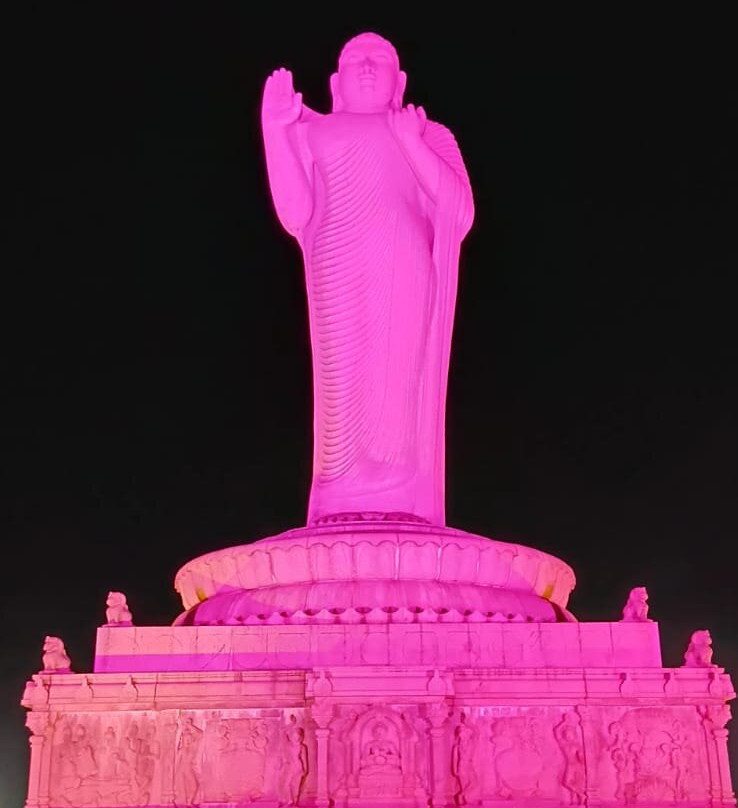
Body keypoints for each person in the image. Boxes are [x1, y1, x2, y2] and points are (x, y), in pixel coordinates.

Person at [262, 32, 474, 526]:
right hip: (337, 267)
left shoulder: (427, 134)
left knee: (396, 380)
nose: (366, 67)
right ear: (336, 82)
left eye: (378, 60)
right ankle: (341, 496)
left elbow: (458, 211)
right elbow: (296, 211)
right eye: (355, 59)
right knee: (342, 384)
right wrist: (275, 131)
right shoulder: (312, 132)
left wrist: (408, 142)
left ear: (398, 82)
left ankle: (400, 492)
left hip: (404, 272)